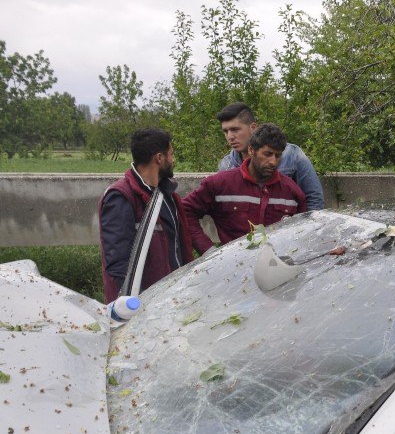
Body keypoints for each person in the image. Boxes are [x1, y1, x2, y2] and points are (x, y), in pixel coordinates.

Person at [98, 128, 195, 303]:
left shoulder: (167, 195)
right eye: (170, 155)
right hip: (144, 306)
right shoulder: (120, 197)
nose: (173, 160)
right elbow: (118, 264)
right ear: (159, 158)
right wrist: (143, 304)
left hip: (172, 297)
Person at [183, 123, 306, 254]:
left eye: (278, 156)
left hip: (275, 266)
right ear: (251, 150)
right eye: (267, 154)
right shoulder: (221, 184)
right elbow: (185, 211)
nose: (273, 162)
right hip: (231, 267)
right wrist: (209, 251)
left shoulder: (292, 192)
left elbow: (301, 230)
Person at [216, 102, 324, 211]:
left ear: (253, 128)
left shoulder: (291, 155)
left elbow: (314, 199)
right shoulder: (227, 165)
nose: (230, 136)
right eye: (226, 131)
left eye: (235, 130)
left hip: (289, 225)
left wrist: (305, 227)